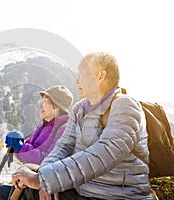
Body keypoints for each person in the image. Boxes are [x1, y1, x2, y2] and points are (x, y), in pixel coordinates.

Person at [11, 52, 153, 199]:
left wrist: (43, 180)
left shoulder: (125, 106)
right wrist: (46, 182)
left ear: (100, 76)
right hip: (82, 191)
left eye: (82, 74)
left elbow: (105, 154)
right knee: (7, 191)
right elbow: (63, 147)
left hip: (117, 196)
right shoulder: (79, 109)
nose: (77, 80)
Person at [0, 85, 74, 199]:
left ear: (56, 107)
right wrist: (18, 143)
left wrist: (20, 147)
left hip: (40, 185)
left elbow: (47, 159)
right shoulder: (44, 125)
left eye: (45, 102)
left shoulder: (63, 129)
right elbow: (29, 147)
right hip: (30, 180)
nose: (40, 105)